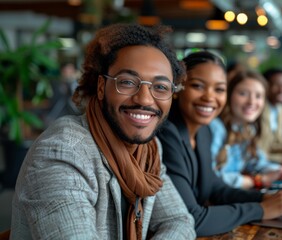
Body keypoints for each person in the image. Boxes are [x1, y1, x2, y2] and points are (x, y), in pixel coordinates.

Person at [10, 23, 196, 240]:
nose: (145, 99)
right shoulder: (62, 151)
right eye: (127, 82)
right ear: (101, 87)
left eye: (161, 87)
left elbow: (180, 221)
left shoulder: (149, 150)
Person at [157, 51, 282, 237]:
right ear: (178, 88)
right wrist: (261, 209)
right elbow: (190, 220)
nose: (209, 97)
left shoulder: (203, 131)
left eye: (219, 89)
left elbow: (216, 188)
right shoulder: (167, 134)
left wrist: (266, 198)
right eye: (198, 86)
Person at [210, 70, 282, 190]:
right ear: (229, 95)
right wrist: (256, 180)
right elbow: (211, 179)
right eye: (243, 94)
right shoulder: (215, 127)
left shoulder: (247, 129)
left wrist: (281, 170)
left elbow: (258, 162)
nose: (252, 102)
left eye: (258, 96)